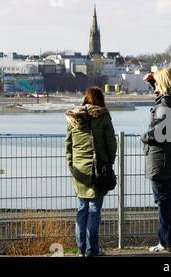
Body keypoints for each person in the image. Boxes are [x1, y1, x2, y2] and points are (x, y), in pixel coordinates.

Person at [141, 67, 171, 252]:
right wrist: (153, 82)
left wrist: (145, 136)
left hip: (159, 158)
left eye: (157, 83)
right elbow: (164, 95)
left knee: (163, 202)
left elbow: (160, 132)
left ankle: (166, 242)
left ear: (162, 82)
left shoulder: (164, 105)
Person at [65, 87, 117, 257]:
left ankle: (81, 249)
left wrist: (72, 166)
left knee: (82, 209)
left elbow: (69, 146)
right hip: (98, 169)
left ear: (85, 99)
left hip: (79, 170)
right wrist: (109, 163)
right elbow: (111, 143)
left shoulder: (73, 118)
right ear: (100, 100)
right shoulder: (103, 116)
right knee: (94, 210)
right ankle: (92, 249)